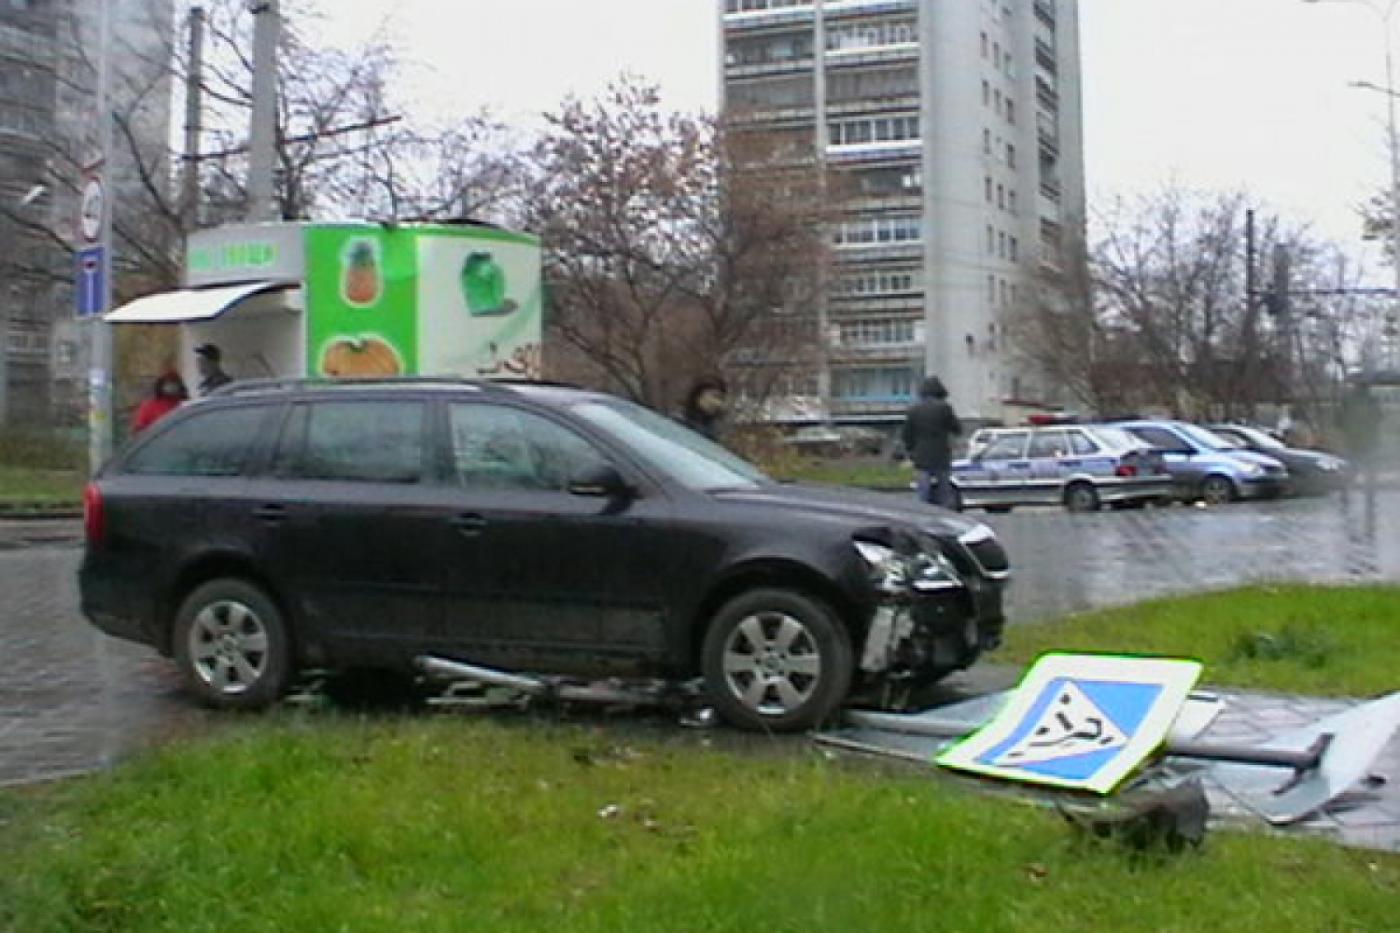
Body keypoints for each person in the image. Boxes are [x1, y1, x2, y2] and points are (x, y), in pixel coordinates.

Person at [901, 375, 962, 508]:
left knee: (923, 491)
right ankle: (944, 515)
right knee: (944, 491)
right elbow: (957, 428)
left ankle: (923, 515)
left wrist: (911, 451)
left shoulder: (914, 410)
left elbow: (907, 434)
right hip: (941, 456)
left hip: (921, 457)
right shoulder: (945, 408)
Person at [682, 376, 728, 443]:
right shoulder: (678, 422)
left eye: (721, 399)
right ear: (699, 396)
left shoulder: (714, 434)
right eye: (714, 396)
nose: (718, 403)